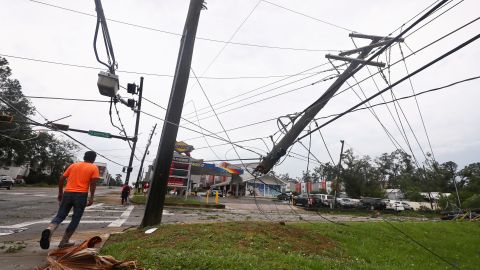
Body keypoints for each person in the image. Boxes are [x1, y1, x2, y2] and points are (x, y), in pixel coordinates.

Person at [40, 151, 100, 249]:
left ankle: (49, 229)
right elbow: (93, 184)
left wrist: (60, 193)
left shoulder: (73, 165)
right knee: (75, 218)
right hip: (81, 195)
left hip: (67, 193)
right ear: (93, 159)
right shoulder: (94, 168)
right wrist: (92, 197)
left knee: (60, 215)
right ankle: (64, 241)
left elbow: (61, 179)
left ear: (84, 157)